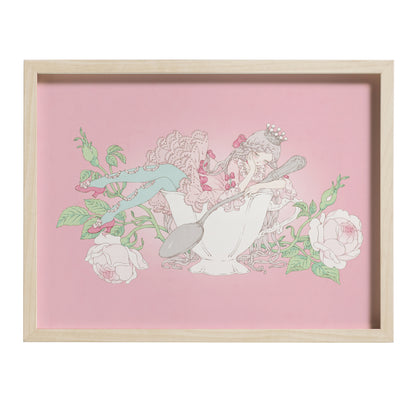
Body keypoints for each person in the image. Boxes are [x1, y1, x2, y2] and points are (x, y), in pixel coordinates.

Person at [75, 125, 298, 243]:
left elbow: (279, 184)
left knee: (164, 175)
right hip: (202, 188)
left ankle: (103, 192)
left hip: (211, 200)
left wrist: (255, 183)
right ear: (252, 150)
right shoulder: (237, 162)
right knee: (163, 176)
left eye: (265, 160)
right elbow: (235, 189)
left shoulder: (258, 169)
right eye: (258, 156)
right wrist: (251, 178)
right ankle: (107, 205)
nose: (260, 162)